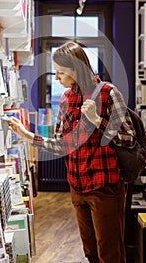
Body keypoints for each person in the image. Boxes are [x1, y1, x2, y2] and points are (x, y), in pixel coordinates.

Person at [8, 41, 136, 263]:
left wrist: (98, 120)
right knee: (90, 252)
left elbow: (128, 138)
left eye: (60, 72)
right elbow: (61, 144)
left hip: (104, 187)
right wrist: (27, 135)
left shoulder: (108, 93)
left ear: (76, 70)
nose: (56, 77)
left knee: (110, 252)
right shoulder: (67, 98)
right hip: (77, 186)